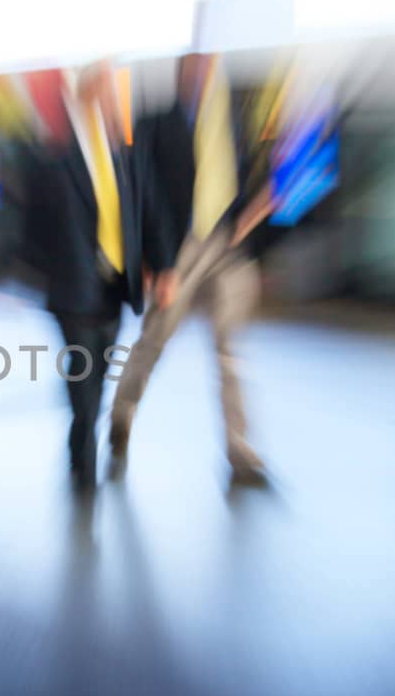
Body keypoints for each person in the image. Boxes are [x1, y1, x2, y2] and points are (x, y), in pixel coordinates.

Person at [110, 53, 274, 485]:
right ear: (182, 72)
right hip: (180, 248)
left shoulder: (236, 122)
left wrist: (254, 220)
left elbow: (253, 180)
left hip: (229, 245)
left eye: (211, 63)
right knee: (156, 337)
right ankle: (122, 414)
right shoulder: (157, 124)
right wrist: (156, 262)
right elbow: (146, 199)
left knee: (230, 349)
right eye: (195, 64)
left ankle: (239, 449)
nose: (203, 71)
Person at [22, 63, 146, 493]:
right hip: (73, 283)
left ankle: (81, 437)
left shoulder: (117, 149)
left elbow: (129, 211)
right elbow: (31, 218)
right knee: (83, 366)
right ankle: (84, 450)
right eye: (110, 89)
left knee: (100, 367)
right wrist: (46, 269)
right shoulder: (56, 146)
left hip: (114, 282)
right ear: (92, 91)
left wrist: (140, 264)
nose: (117, 98)